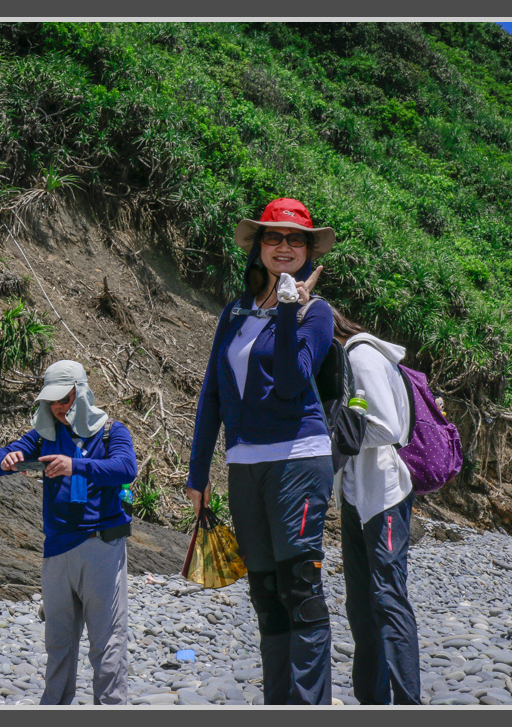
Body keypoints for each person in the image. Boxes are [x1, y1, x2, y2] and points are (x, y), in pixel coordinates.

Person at [186, 197, 336, 705]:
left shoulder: (317, 313)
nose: (285, 247)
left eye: (297, 239)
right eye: (274, 237)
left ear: (309, 251)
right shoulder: (235, 312)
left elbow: (295, 384)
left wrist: (291, 309)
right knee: (266, 594)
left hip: (299, 456)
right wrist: (197, 472)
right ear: (258, 248)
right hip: (244, 464)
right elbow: (212, 394)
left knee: (300, 589)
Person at [0, 360, 138, 705]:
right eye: (53, 401)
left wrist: (75, 465)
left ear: (82, 394)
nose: (58, 408)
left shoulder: (112, 431)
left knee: (107, 643)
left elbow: (125, 468)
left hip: (101, 545)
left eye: (66, 399)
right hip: (56, 549)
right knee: (57, 641)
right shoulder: (44, 435)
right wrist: (8, 458)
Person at [331, 307, 421, 705]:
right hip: (356, 495)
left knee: (386, 596)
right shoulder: (347, 358)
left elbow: (387, 427)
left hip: (383, 493)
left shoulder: (361, 355)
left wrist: (335, 437)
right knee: (359, 603)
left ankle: (407, 702)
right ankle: (371, 701)